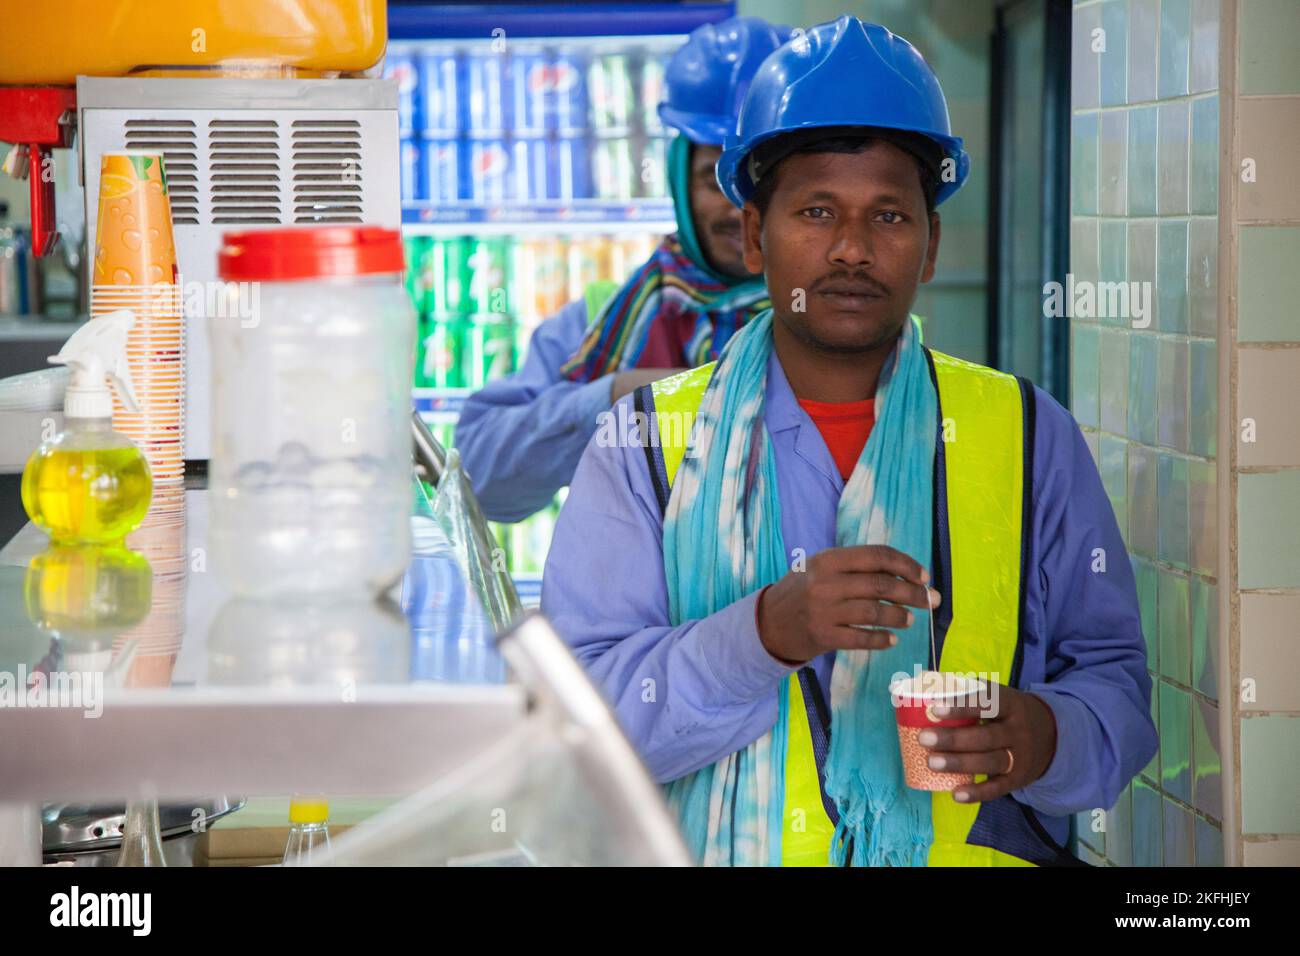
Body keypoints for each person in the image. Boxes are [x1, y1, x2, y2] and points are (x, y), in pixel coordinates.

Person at [540, 16, 1157, 867]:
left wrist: (1045, 736)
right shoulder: (647, 442)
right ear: (756, 235)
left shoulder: (1025, 431)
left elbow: (1117, 686)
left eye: (891, 216)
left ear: (930, 245)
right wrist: (762, 634)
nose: (853, 249)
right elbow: (577, 727)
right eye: (817, 210)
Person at [454, 16, 791, 523]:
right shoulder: (599, 322)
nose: (733, 210)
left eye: (756, 183)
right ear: (678, 181)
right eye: (711, 179)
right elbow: (481, 487)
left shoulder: (840, 325)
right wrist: (610, 397)